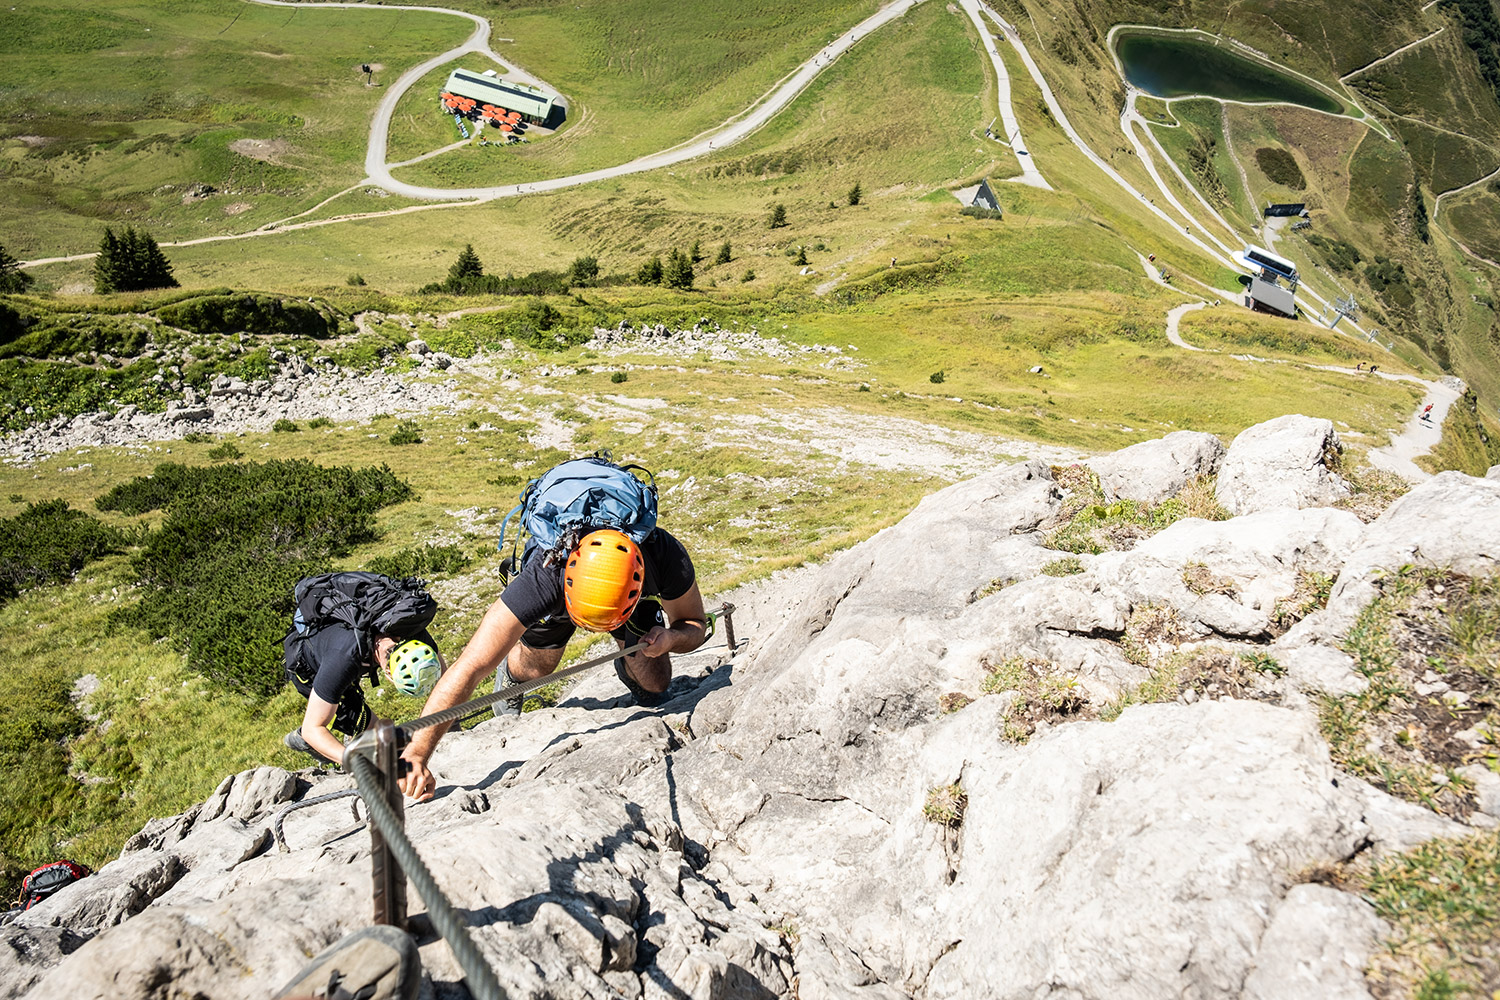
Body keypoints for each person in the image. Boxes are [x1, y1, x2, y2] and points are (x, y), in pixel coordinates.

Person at [399, 526, 707, 801]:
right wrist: (417, 752)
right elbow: (471, 666)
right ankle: (514, 677)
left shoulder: (662, 553)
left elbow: (694, 623)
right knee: (535, 670)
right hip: (561, 599)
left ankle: (630, 660)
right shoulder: (543, 576)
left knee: (656, 681)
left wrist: (670, 638)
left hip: (630, 600)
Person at [283, 573, 443, 765]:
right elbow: (313, 728)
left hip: (343, 649)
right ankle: (303, 742)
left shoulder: (411, 629)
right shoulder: (345, 657)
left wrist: (448, 725)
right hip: (309, 668)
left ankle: (352, 738)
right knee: (371, 733)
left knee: (383, 740)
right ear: (389, 675)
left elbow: (446, 683)